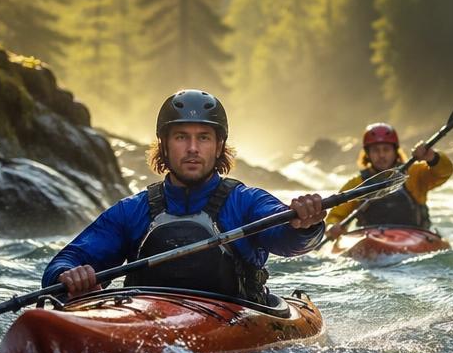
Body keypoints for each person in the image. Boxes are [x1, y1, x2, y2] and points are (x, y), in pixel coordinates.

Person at [43, 89, 325, 304]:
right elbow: (66, 261)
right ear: (163, 146)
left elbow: (288, 239)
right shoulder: (133, 211)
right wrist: (67, 274)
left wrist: (305, 224)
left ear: (218, 147)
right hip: (149, 324)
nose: (192, 148)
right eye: (181, 137)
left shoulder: (246, 201)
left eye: (203, 137)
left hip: (235, 320)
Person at [325, 123, 453, 239]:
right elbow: (336, 214)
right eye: (376, 150)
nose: (381, 155)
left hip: (415, 238)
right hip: (371, 240)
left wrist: (433, 157)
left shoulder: (414, 174)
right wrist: (333, 226)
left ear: (395, 151)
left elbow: (444, 172)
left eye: (386, 149)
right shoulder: (357, 184)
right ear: (368, 154)